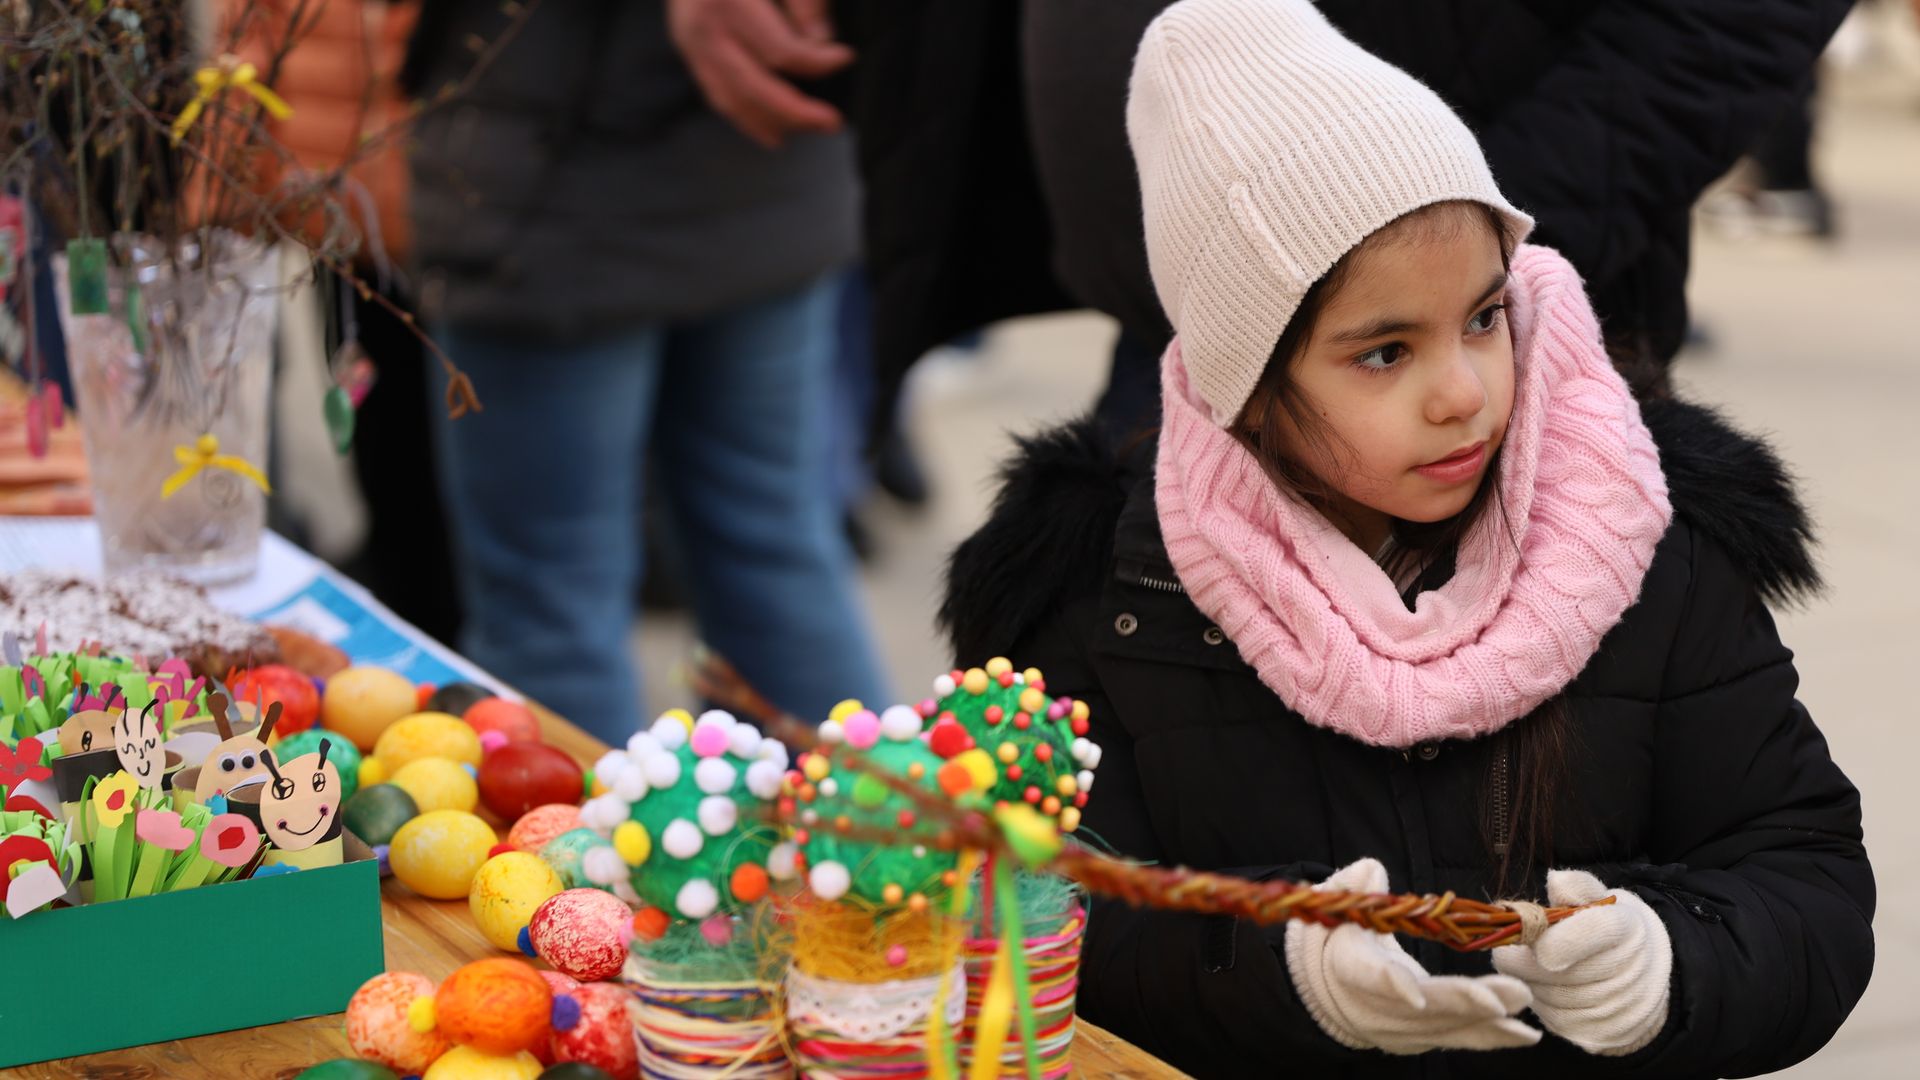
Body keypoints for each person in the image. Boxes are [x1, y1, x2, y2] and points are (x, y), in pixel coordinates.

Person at [939, 2, 1874, 1075]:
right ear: (1245, 387)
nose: (1465, 392)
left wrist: (1672, 966)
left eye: (1484, 316)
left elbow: (1800, 869)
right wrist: (1282, 972)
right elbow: (1049, 913)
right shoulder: (1111, 597)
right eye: (1384, 353)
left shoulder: (1644, 541)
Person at [402, 0, 888, 740]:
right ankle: (877, 845)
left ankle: (568, 855)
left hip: (554, 179)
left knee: (550, 607)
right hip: (759, 154)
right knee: (771, 544)